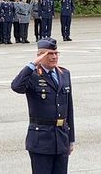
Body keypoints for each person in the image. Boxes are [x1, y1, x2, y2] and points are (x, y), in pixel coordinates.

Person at [11, 38, 75, 174]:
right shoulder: (33, 76)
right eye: (49, 54)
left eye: (56, 53)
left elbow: (69, 108)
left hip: (61, 138)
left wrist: (71, 139)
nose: (54, 57)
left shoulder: (64, 74)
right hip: (41, 140)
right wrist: (33, 64)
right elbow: (16, 86)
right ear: (40, 56)